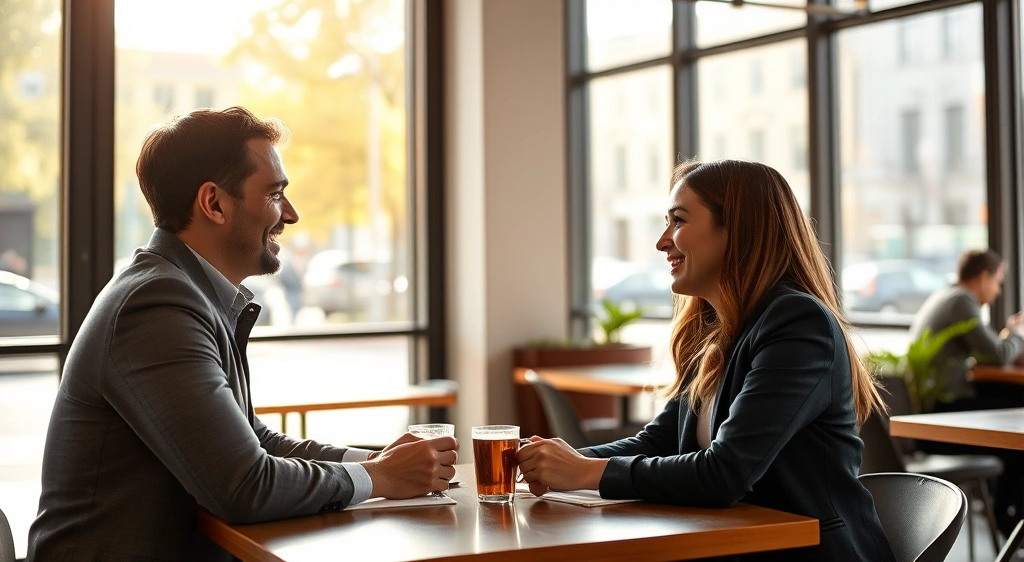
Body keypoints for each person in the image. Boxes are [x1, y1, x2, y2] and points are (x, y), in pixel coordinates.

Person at [28, 107, 458, 560]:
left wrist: (372, 461)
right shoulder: (155, 305)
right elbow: (243, 485)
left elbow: (253, 442)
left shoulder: (183, 291)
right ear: (213, 203)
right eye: (274, 194)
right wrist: (381, 477)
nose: (290, 214)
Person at [517, 159, 895, 561]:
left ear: (737, 229)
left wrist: (582, 473)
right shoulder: (716, 328)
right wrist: (553, 461)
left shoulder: (797, 324)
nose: (663, 242)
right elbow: (659, 442)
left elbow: (725, 473)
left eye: (678, 221)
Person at [908, 247, 1024, 536]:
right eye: (997, 282)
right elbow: (998, 353)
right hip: (938, 420)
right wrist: (1019, 333)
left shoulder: (946, 296)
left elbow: (990, 352)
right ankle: (1010, 522)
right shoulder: (961, 301)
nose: (997, 292)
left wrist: (1010, 339)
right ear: (983, 277)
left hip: (932, 413)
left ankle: (1008, 520)